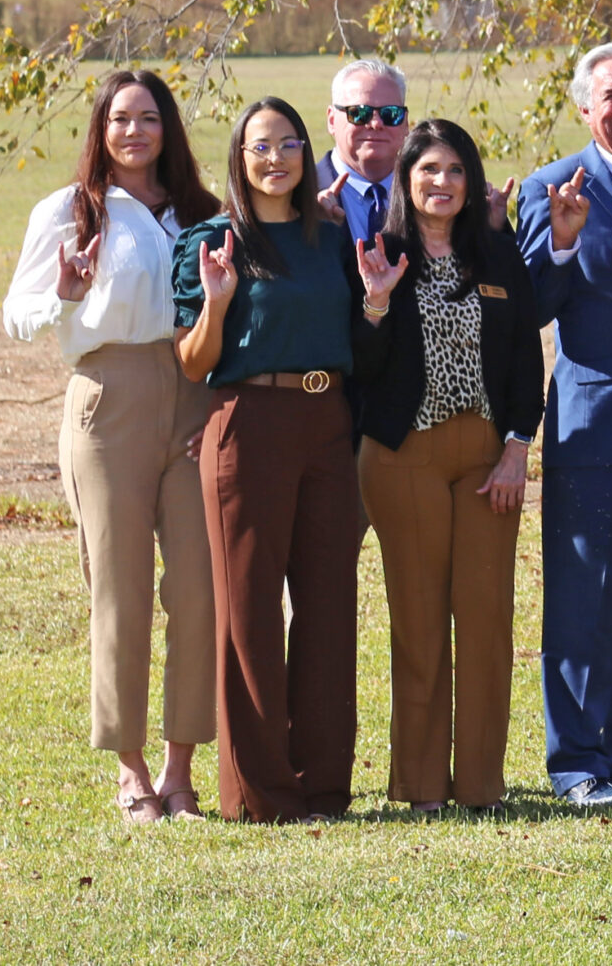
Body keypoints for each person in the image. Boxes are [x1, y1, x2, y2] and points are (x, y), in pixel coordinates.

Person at [5, 70, 224, 823]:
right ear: (100, 128)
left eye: (149, 118)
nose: (135, 131)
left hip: (195, 397)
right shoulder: (70, 210)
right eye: (121, 118)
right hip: (109, 402)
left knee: (199, 588)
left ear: (169, 129)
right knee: (120, 590)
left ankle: (180, 768)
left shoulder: (202, 212)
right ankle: (130, 769)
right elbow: (17, 314)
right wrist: (64, 294)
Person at [172, 99, 364, 822]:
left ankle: (322, 786)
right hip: (248, 421)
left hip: (327, 422)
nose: (276, 157)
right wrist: (217, 303)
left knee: (326, 605)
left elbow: (356, 324)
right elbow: (194, 364)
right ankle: (261, 792)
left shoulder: (330, 236)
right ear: (239, 155)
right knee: (248, 610)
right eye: (261, 145)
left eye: (289, 143)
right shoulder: (212, 239)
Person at [349, 120, 544, 816]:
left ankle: (482, 786)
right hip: (403, 456)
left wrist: (519, 448)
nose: (442, 182)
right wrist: (374, 303)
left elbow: (526, 358)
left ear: (472, 180)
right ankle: (422, 784)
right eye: (428, 169)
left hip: (489, 458)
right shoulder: (379, 252)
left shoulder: (497, 253)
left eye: (456, 170)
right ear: (405, 178)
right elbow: (360, 369)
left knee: (487, 617)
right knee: (421, 619)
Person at [518, 41, 612, 807]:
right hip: (596, 429)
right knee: (586, 602)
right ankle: (576, 760)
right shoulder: (554, 187)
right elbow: (528, 309)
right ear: (585, 107)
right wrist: (566, 236)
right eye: (609, 95)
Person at [316, 58, 409, 245]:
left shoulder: (425, 192)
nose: (376, 124)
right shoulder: (302, 193)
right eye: (359, 113)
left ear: (405, 123)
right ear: (332, 120)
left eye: (390, 114)